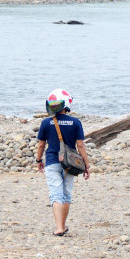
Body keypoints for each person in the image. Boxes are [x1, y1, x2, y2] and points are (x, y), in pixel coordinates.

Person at [35, 89, 91, 236]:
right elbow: (80, 146)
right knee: (66, 195)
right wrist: (86, 165)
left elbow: (41, 145)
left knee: (56, 195)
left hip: (52, 162)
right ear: (67, 104)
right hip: (70, 163)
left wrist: (39, 160)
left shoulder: (46, 123)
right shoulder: (76, 122)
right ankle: (63, 226)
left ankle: (59, 227)